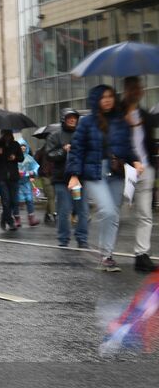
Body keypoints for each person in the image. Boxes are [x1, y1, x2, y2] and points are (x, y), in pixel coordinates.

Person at [68, 84, 142, 272]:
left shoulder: (120, 121)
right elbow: (77, 149)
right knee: (108, 211)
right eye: (103, 97)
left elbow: (127, 146)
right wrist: (74, 175)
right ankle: (105, 253)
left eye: (110, 96)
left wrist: (135, 161)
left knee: (114, 214)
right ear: (96, 100)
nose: (107, 100)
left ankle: (106, 256)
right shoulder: (86, 122)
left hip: (116, 172)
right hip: (95, 173)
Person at [123, 76, 156, 272]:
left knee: (145, 214)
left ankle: (141, 254)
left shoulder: (145, 114)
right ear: (126, 90)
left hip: (146, 169)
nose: (138, 91)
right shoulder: (117, 114)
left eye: (139, 88)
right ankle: (106, 253)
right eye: (133, 88)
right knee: (118, 213)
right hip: (126, 170)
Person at [44, 109, 86, 248]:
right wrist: (63, 150)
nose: (73, 120)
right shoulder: (55, 135)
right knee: (64, 209)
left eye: (75, 118)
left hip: (80, 178)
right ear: (64, 119)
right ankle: (63, 239)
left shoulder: (82, 134)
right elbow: (49, 154)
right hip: (62, 179)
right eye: (69, 118)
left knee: (82, 209)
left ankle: (82, 238)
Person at [0, 130, 23, 231]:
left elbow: (21, 158)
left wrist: (15, 157)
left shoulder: (16, 145)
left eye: (9, 135)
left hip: (13, 177)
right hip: (1, 177)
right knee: (6, 200)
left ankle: (4, 217)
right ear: (2, 135)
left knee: (14, 201)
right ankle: (10, 221)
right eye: (5, 135)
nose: (7, 137)